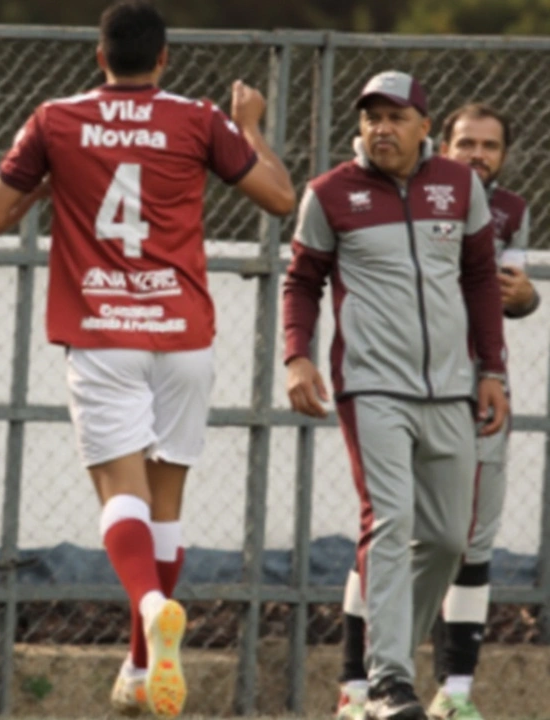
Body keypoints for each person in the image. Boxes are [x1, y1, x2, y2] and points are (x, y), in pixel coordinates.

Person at [0, 1, 295, 715]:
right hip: (182, 335)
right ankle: (142, 670)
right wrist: (250, 127)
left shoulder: (54, 119)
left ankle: (148, 606)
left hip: (102, 329)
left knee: (120, 491)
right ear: (165, 58)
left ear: (99, 55)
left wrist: (52, 184)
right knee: (166, 502)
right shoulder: (199, 118)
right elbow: (280, 197)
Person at [283, 71, 509, 720]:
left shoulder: (459, 186)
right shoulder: (328, 195)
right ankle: (388, 685)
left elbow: (480, 279)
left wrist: (489, 369)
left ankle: (392, 667)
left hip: (451, 388)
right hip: (372, 385)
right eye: (370, 117)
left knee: (446, 538)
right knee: (391, 521)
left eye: (396, 116)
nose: (381, 127)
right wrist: (298, 356)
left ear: (423, 128)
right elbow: (302, 281)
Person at [332, 102, 539, 720]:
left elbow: (503, 291)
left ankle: (455, 693)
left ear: (504, 157)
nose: (477, 155)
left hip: (478, 385)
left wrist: (524, 297)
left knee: (467, 539)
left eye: (490, 146)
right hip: (398, 386)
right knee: (388, 531)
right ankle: (357, 685)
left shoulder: (510, 212)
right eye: (465, 143)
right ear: (437, 143)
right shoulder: (395, 197)